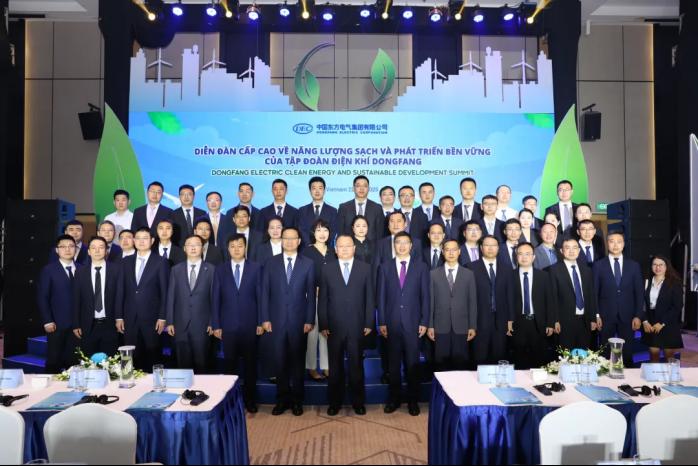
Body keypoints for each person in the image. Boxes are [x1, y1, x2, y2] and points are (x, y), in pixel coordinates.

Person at [260, 227, 316, 416]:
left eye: (293, 238)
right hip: (275, 321)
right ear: (281, 240)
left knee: (298, 362)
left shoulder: (308, 264)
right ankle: (282, 400)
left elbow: (310, 295)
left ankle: (297, 401)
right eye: (286, 238)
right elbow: (264, 293)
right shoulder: (270, 263)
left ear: (299, 241)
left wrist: (309, 319)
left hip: (299, 321)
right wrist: (265, 318)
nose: (290, 241)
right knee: (280, 361)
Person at [318, 235, 375, 416]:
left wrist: (369, 322)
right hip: (333, 327)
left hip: (357, 325)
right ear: (335, 249)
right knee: (334, 368)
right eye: (340, 246)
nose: (344, 249)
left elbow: (370, 298)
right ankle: (334, 403)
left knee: (356, 366)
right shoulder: (327, 269)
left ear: (354, 248)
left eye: (348, 246)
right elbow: (323, 299)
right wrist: (323, 323)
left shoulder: (365, 268)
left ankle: (358, 402)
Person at [378, 232, 430, 416]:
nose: (401, 246)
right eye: (398, 242)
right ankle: (394, 399)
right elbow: (381, 297)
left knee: (412, 364)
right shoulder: (385, 267)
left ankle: (413, 401)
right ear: (394, 245)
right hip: (391, 323)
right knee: (393, 365)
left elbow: (426, 296)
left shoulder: (421, 267)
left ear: (411, 246)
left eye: (405, 243)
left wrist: (424, 320)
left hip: (414, 323)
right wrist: (382, 321)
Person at [212, 234, 263, 413]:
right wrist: (216, 324)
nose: (236, 249)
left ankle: (250, 401)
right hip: (228, 326)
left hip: (251, 324)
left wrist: (261, 321)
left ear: (245, 247)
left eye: (240, 245)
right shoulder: (220, 270)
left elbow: (261, 297)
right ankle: (230, 403)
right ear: (228, 249)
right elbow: (215, 298)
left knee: (250, 366)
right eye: (232, 246)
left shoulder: (256, 268)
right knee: (229, 366)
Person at [115, 227, 169, 371]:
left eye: (145, 238)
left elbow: (165, 292)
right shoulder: (125, 262)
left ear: (152, 240)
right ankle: (128, 381)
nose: (141, 241)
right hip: (129, 318)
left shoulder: (161, 262)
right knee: (129, 358)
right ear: (134, 240)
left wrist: (162, 317)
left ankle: (154, 383)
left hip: (152, 319)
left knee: (153, 356)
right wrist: (119, 316)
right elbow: (120, 290)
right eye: (138, 238)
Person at [592, 232, 644, 367]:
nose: (615, 245)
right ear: (607, 243)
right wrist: (596, 315)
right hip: (605, 315)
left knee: (627, 351)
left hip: (628, 315)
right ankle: (604, 374)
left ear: (624, 244)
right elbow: (594, 293)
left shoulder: (634, 266)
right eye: (611, 241)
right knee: (604, 350)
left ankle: (628, 375)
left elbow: (639, 293)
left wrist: (638, 315)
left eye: (619, 241)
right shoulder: (598, 265)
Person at [166, 235, 215, 374]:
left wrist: (212, 321)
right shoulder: (176, 270)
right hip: (180, 324)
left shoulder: (211, 269)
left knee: (202, 363)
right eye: (189, 245)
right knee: (182, 365)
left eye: (197, 244)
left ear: (202, 248)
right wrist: (170, 321)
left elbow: (214, 298)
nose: (193, 248)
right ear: (184, 248)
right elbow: (171, 296)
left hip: (203, 325)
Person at [427, 240, 477, 371]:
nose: (451, 253)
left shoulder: (468, 274)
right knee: (440, 365)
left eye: (454, 249)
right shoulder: (433, 274)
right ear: (442, 252)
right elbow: (430, 301)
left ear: (459, 252)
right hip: (440, 325)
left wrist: (472, 326)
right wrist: (430, 325)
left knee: (460, 364)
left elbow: (472, 302)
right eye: (447, 250)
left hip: (462, 325)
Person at [507, 242, 554, 369]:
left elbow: (549, 300)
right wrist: (508, 320)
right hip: (518, 323)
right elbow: (506, 301)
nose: (524, 257)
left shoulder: (544, 276)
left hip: (538, 323)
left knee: (539, 360)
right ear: (516, 257)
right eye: (520, 254)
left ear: (533, 257)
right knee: (519, 359)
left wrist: (550, 323)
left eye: (527, 254)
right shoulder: (509, 276)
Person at [467, 235, 513, 365]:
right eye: (487, 245)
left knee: (499, 357)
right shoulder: (470, 268)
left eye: (493, 245)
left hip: (501, 320)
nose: (490, 248)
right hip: (479, 320)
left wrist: (510, 319)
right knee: (479, 358)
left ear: (498, 248)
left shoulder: (507, 268)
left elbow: (510, 295)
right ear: (481, 248)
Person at [72, 236, 120, 356]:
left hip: (111, 324)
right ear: (88, 251)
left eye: (101, 247)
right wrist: (76, 323)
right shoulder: (80, 272)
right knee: (89, 361)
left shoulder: (116, 270)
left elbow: (121, 297)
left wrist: (120, 318)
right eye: (93, 248)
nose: (97, 251)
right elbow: (76, 299)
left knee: (111, 361)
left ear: (106, 251)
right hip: (88, 325)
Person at [38, 235, 80, 373]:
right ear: (57, 250)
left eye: (71, 246)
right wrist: (47, 320)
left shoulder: (83, 269)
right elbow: (43, 297)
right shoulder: (49, 270)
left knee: (75, 362)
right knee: (54, 361)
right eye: (63, 246)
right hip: (56, 324)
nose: (67, 249)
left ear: (76, 249)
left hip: (78, 325)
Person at [549, 239, 598, 350]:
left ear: (579, 250)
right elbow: (552, 297)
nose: (571, 251)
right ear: (561, 251)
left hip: (584, 321)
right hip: (564, 322)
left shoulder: (587, 270)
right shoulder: (554, 270)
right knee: (565, 356)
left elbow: (591, 296)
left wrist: (593, 318)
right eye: (567, 248)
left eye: (574, 248)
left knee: (584, 355)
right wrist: (555, 320)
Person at [303, 219, 336, 381]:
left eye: (325, 230)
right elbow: (302, 275)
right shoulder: (306, 252)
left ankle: (326, 366)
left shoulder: (333, 251)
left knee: (327, 331)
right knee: (312, 333)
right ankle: (311, 367)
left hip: (331, 298)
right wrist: (313, 289)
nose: (322, 234)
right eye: (318, 230)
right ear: (313, 233)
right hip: (312, 298)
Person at [642, 256, 684, 362]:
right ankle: (655, 374)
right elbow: (642, 303)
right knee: (653, 356)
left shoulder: (674, 283)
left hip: (668, 322)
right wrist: (645, 321)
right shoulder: (646, 281)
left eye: (661, 265)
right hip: (651, 323)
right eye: (655, 264)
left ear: (666, 266)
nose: (658, 267)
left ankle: (669, 374)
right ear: (651, 266)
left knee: (669, 358)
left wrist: (662, 322)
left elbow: (677, 306)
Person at [337, 176, 384, 241]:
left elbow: (380, 233)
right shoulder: (343, 207)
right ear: (353, 188)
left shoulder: (377, 208)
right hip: (349, 245)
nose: (361, 189)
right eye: (358, 186)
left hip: (372, 246)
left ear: (368, 189)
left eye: (365, 186)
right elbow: (340, 232)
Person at [297, 176, 339, 246]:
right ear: (310, 191)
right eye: (314, 188)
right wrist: (311, 245)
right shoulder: (302, 210)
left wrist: (323, 245)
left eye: (320, 188)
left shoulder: (333, 211)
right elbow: (301, 230)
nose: (317, 191)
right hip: (307, 248)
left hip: (326, 248)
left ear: (324, 190)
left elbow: (333, 231)